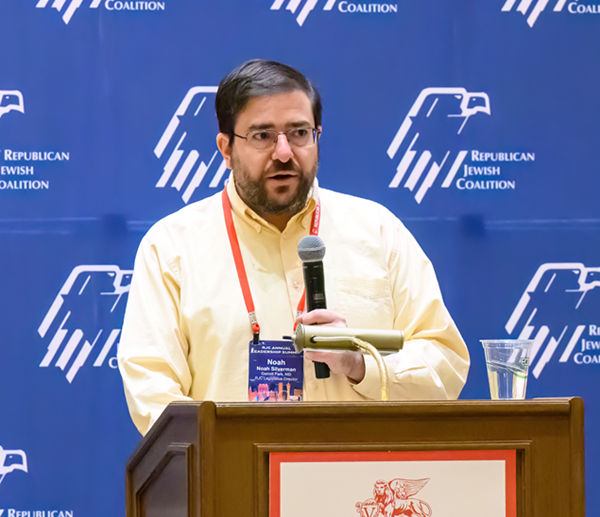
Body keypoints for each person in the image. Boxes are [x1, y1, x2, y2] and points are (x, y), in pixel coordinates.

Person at [118, 59, 470, 435]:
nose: (284, 152)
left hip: (361, 469)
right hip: (237, 470)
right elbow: (152, 390)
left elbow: (445, 362)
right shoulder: (172, 247)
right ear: (226, 148)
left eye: (299, 133)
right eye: (262, 135)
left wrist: (361, 365)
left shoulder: (379, 232)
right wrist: (227, 453)